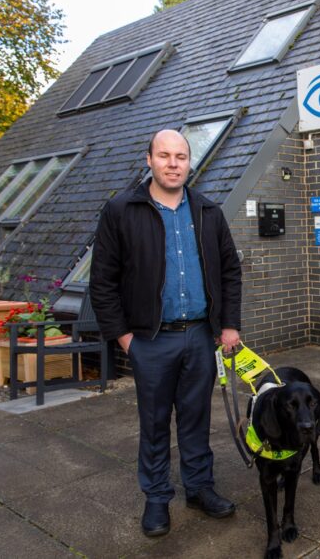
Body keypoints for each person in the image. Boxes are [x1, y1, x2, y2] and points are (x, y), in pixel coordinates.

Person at [90, 129, 242, 537]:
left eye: (180, 156)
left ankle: (199, 488)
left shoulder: (209, 211)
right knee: (155, 424)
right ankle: (157, 499)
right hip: (150, 341)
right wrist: (125, 339)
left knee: (196, 419)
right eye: (165, 156)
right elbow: (102, 282)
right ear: (149, 160)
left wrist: (228, 325)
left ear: (190, 162)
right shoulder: (121, 211)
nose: (173, 164)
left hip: (199, 336)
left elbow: (230, 271)